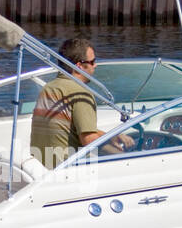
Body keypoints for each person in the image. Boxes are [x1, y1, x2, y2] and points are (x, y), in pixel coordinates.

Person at [30, 38, 133, 169]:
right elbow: (88, 140)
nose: (95, 65)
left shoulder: (49, 88)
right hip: (69, 171)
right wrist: (124, 157)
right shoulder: (80, 93)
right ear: (79, 66)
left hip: (42, 166)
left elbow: (73, 128)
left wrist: (112, 136)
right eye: (92, 62)